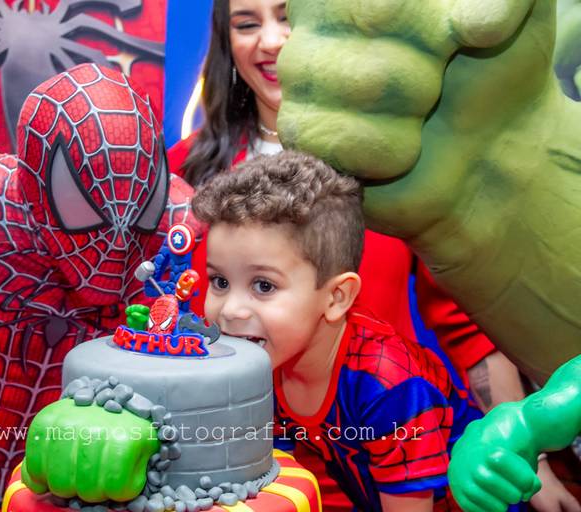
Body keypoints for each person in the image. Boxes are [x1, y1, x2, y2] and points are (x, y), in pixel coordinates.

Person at [167, 0, 579, 509]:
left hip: (395, 453)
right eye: (247, 24)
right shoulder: (185, 172)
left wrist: (532, 458)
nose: (271, 41)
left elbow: (466, 327)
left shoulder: (397, 167)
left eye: (287, 16)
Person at [193, 150, 481, 511]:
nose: (230, 310)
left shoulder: (388, 387)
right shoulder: (268, 360)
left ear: (336, 297)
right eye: (219, 281)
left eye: (264, 286)